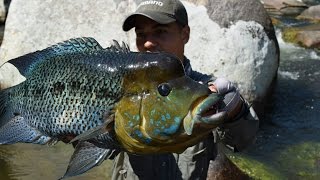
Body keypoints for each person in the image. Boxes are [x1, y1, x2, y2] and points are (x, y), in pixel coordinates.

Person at [112, 0, 259, 179]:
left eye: (160, 32)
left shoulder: (205, 92)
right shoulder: (120, 84)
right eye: (141, 34)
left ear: (185, 34)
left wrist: (235, 110)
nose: (148, 43)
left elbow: (242, 141)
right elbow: (98, 143)